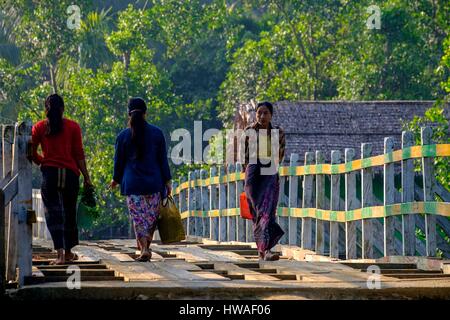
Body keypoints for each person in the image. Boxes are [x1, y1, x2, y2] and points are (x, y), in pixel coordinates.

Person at [31, 93, 93, 265]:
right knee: (69, 213)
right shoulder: (73, 127)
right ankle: (67, 253)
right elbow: (79, 154)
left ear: (46, 110)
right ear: (63, 109)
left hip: (50, 174)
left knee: (53, 214)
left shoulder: (39, 127)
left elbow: (30, 151)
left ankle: (59, 254)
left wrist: (42, 162)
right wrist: (87, 177)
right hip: (70, 174)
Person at [110, 97, 172, 262]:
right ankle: (146, 247)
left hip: (133, 184)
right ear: (145, 113)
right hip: (154, 183)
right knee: (151, 218)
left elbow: (119, 163)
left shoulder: (122, 136)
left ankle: (144, 248)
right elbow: (162, 160)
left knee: (139, 218)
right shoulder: (157, 133)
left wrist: (115, 180)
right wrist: (167, 181)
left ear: (128, 114)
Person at [243, 101, 286, 261]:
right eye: (259, 113)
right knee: (257, 213)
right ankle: (262, 250)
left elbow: (279, 156)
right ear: (255, 114)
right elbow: (244, 157)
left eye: (265, 113)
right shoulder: (249, 132)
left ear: (271, 115)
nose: (262, 116)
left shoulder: (278, 133)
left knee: (267, 211)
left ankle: (266, 250)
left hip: (269, 174)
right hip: (253, 176)